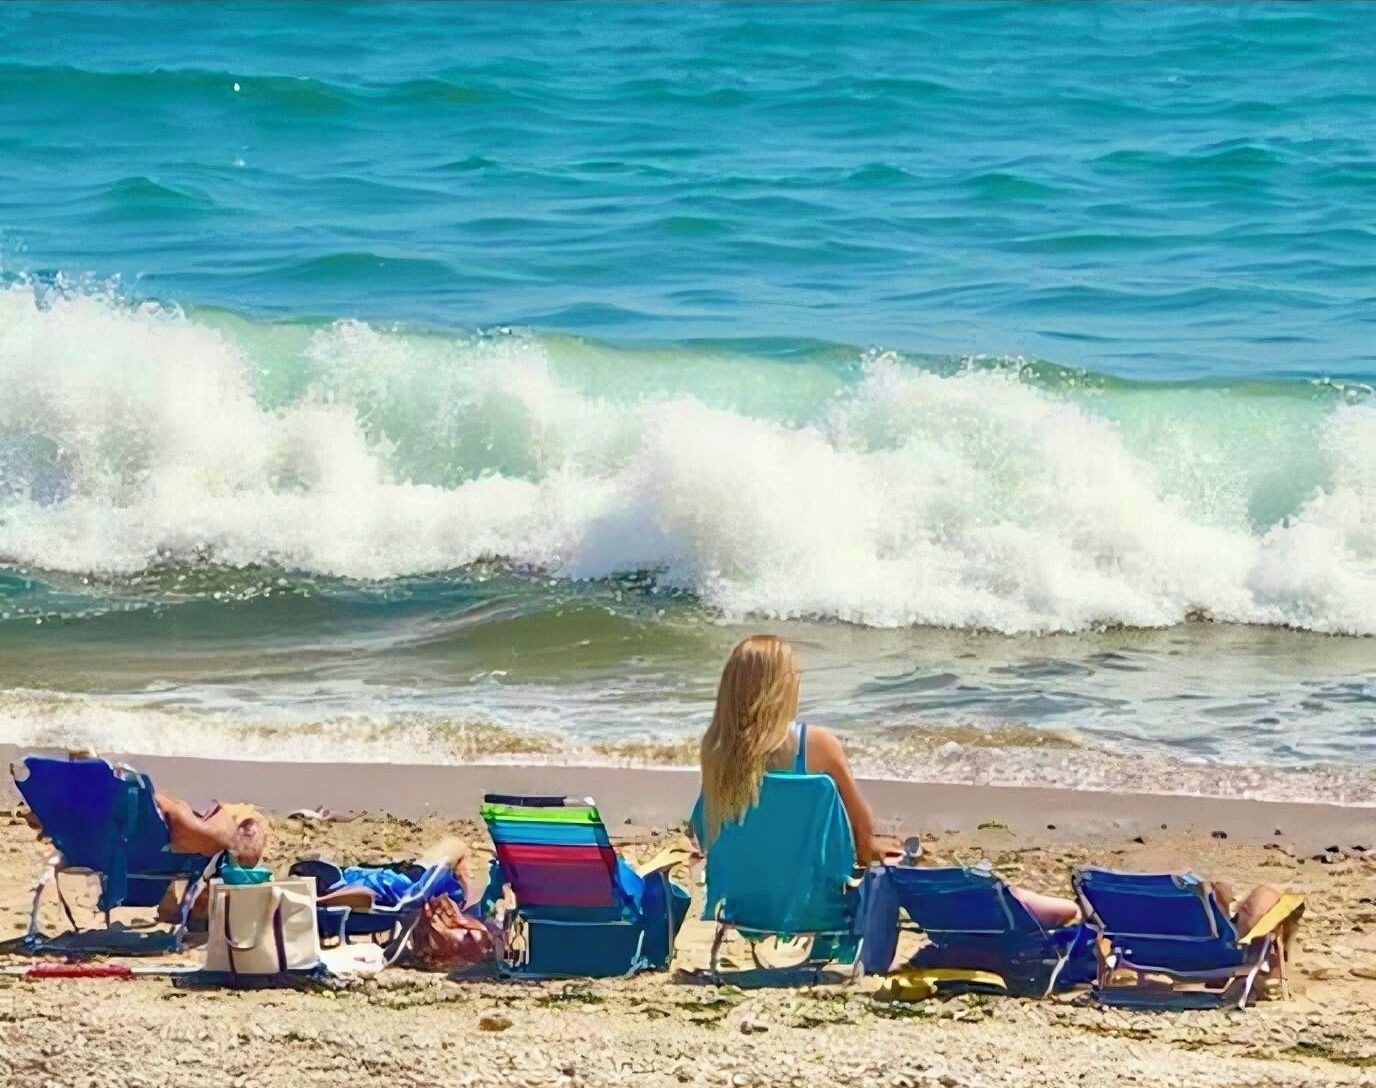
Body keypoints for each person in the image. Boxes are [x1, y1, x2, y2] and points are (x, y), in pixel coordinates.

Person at [695, 634, 1081, 928]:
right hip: (816, 904)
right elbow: (861, 838)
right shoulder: (816, 745)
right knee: (904, 863)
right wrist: (876, 848)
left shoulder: (714, 752)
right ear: (783, 687)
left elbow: (712, 834)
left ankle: (1014, 899)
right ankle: (1014, 903)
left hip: (743, 904)